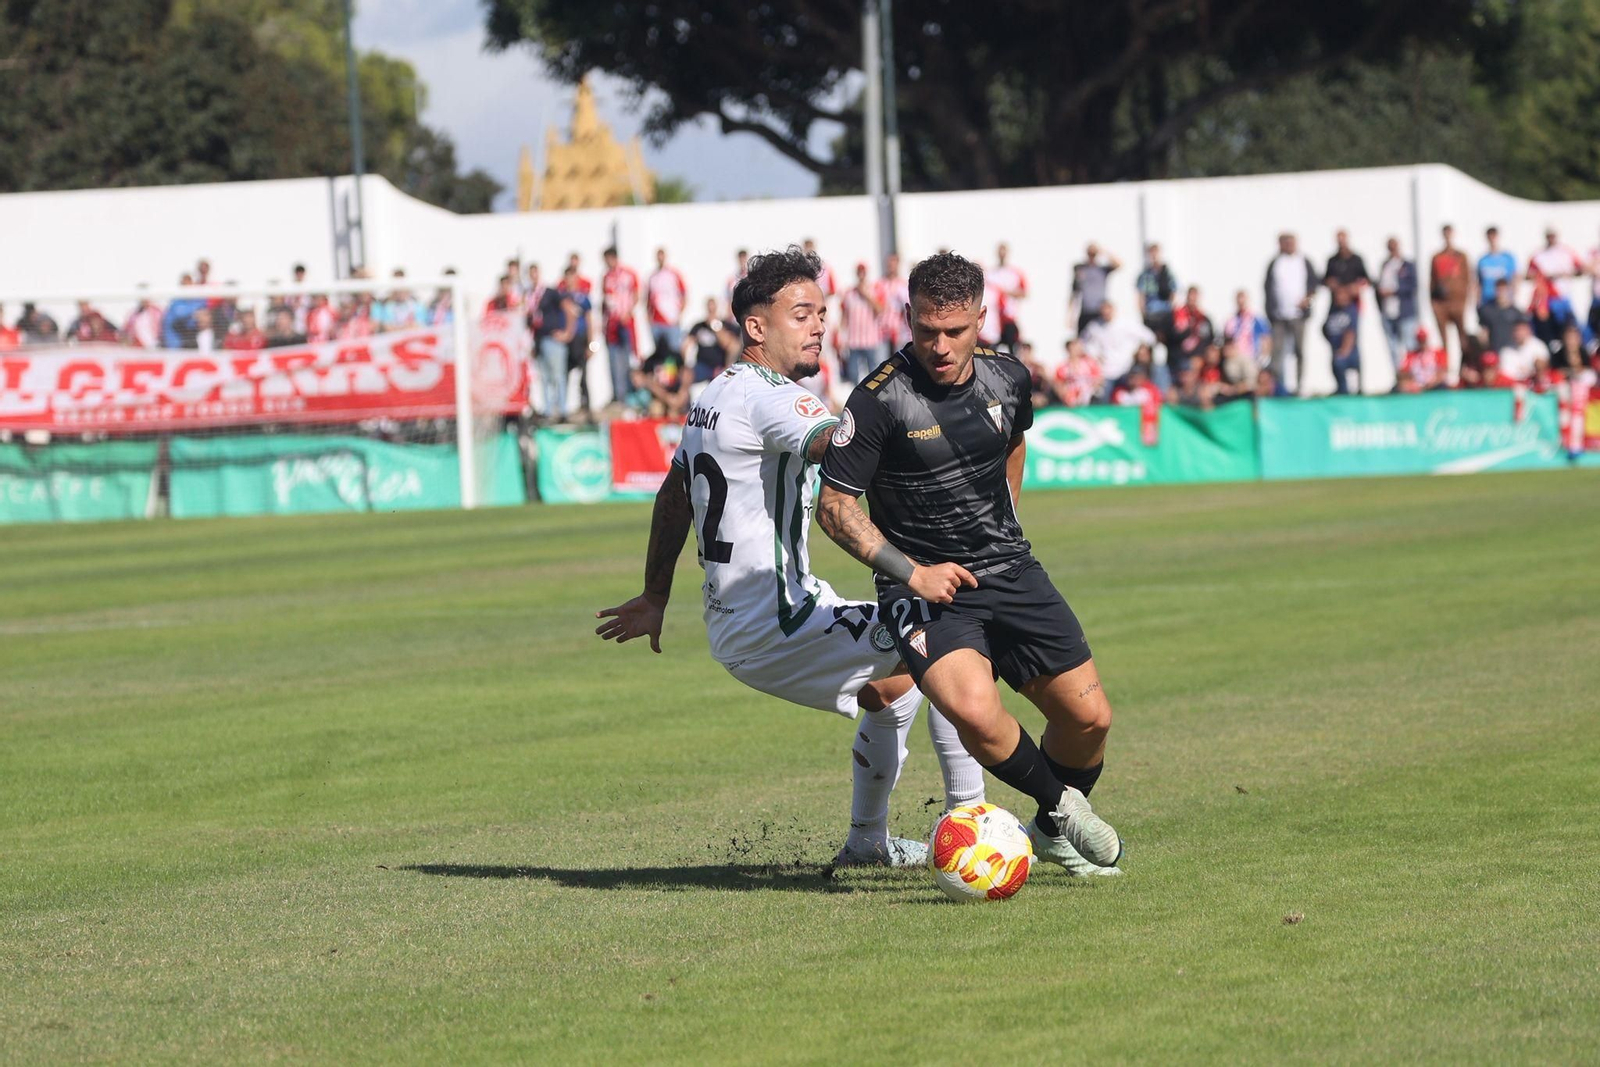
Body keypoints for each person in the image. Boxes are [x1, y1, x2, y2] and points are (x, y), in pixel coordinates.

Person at [595, 246, 985, 869]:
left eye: (822, 313)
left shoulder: (713, 394)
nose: (819, 325)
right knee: (944, 643)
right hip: (778, 624)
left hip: (753, 619)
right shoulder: (775, 399)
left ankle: (866, 844)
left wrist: (656, 594)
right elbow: (841, 445)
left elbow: (674, 497)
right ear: (756, 327)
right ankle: (975, 827)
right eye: (801, 314)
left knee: (897, 689)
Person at [816, 250, 1123, 877]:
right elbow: (835, 507)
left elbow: (1013, 443)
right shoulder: (877, 400)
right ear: (907, 316)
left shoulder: (1009, 378)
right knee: (976, 712)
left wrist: (1008, 519)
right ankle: (1063, 808)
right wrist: (911, 573)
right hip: (926, 588)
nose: (939, 344)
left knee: (1089, 719)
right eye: (925, 329)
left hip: (1009, 567)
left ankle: (1048, 828)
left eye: (954, 331)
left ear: (982, 319)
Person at [1263, 232, 1318, 393]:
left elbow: (1314, 285)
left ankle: (1300, 386)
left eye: (1291, 242)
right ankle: (1277, 387)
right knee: (1277, 352)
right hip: (1279, 317)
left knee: (1299, 351)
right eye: (1285, 243)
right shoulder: (1275, 263)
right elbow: (1268, 288)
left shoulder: (1303, 261)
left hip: (1298, 316)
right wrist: (1270, 312)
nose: (1288, 246)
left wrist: (1308, 301)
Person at [1079, 300, 1154, 390]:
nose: (1106, 313)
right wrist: (1094, 356)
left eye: (1108, 309)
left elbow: (1150, 337)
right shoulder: (1094, 327)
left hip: (1126, 369)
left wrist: (1140, 350)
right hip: (1105, 372)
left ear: (1113, 309)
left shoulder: (1127, 324)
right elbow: (1083, 343)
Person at [536, 272, 580, 422]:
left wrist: (568, 333)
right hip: (541, 341)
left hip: (553, 341)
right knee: (545, 378)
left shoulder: (551, 293)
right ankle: (549, 410)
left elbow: (570, 310)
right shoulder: (531, 295)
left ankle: (562, 410)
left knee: (557, 377)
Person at [601, 247, 641, 411]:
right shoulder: (606, 277)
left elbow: (636, 294)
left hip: (625, 323)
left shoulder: (628, 274)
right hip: (611, 325)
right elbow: (605, 301)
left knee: (627, 360)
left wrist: (629, 312)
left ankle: (627, 396)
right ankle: (617, 395)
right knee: (613, 362)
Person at [1430, 224, 1473, 358]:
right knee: (1443, 339)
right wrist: (1434, 304)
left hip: (1458, 302)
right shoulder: (1437, 257)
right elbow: (1432, 281)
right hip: (1442, 304)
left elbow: (1467, 279)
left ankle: (1464, 366)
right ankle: (1446, 368)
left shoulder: (1461, 256)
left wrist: (1465, 300)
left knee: (1463, 336)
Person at [1376, 238, 1419, 369]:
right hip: (1388, 312)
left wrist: (1393, 292)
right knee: (1393, 347)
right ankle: (1399, 377)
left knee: (1410, 345)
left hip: (1405, 312)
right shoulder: (1385, 265)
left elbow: (1413, 287)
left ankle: (1413, 376)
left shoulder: (1407, 265)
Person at [839, 261, 884, 384]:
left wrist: (865, 295)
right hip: (854, 340)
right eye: (859, 272)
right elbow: (844, 315)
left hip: (870, 339)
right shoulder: (849, 293)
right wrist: (841, 335)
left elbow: (880, 309)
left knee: (873, 372)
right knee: (853, 372)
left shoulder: (874, 290)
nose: (861, 275)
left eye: (863, 272)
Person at [684, 297, 734, 395]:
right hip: (701, 365)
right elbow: (687, 344)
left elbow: (727, 344)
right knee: (686, 375)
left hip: (719, 367)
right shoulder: (699, 326)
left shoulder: (724, 325)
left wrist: (714, 325)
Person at [1071, 241, 1120, 336]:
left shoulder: (1102, 269)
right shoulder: (1081, 269)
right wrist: (1070, 315)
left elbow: (1119, 264)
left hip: (1100, 310)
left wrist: (1103, 251)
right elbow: (1074, 293)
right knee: (1082, 338)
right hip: (1086, 310)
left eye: (1093, 254)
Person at [647, 247, 688, 359]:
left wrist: (678, 315)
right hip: (656, 321)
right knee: (660, 355)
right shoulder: (652, 277)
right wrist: (649, 319)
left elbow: (684, 295)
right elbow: (648, 299)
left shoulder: (674, 274)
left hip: (671, 321)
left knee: (674, 353)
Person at [1134, 243, 1178, 345]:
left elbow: (1174, 293)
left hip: (1165, 314)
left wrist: (1171, 311)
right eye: (1151, 253)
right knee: (1149, 342)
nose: (1154, 256)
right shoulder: (1145, 275)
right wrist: (1143, 314)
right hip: (1151, 314)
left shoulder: (1168, 273)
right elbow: (1141, 296)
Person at [1221, 289, 1272, 373]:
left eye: (1243, 300)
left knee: (1249, 371)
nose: (1241, 303)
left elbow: (1266, 339)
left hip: (1252, 358)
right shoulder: (1231, 321)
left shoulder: (1256, 319)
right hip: (1235, 358)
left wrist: (1263, 359)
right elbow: (1227, 342)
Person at [988, 242, 1028, 346]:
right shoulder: (991, 273)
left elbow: (1024, 293)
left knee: (1012, 348)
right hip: (994, 320)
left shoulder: (1014, 273)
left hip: (1009, 317)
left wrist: (1007, 292)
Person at [1323, 285, 1361, 395]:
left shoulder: (1351, 311)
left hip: (1348, 352)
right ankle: (1341, 390)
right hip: (1336, 349)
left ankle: (1347, 392)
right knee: (1336, 368)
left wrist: (1344, 351)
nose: (1339, 297)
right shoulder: (1333, 310)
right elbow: (1325, 328)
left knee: (1341, 365)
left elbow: (1351, 333)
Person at [1476, 226, 1517, 311]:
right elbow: (1478, 283)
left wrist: (1512, 297)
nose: (1492, 240)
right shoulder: (1483, 260)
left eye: (1494, 236)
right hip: (1487, 301)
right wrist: (1478, 301)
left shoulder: (1508, 258)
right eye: (1490, 237)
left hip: (1503, 302)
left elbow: (1515, 278)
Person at [1478, 285, 1522, 355]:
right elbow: (1483, 331)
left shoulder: (1516, 313)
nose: (1501, 294)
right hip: (1493, 351)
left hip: (1511, 351)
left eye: (1503, 291)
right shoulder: (1487, 310)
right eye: (1498, 291)